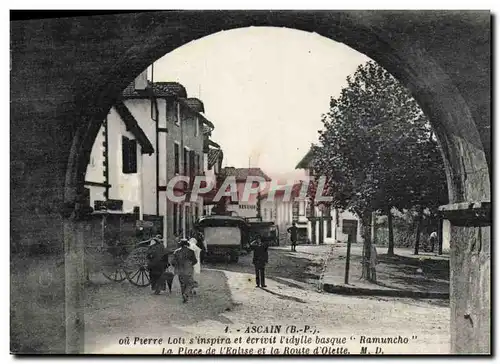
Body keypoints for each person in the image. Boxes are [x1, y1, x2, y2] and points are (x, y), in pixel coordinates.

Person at [172, 238, 198, 303]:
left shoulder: (176, 252)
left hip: (180, 270)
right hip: (188, 269)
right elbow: (195, 261)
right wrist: (190, 264)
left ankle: (184, 297)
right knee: (190, 283)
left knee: (182, 284)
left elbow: (173, 262)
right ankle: (186, 294)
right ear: (187, 244)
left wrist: (177, 266)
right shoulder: (191, 251)